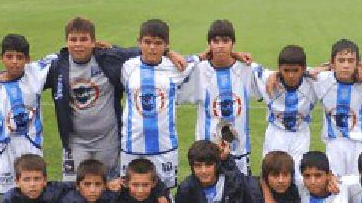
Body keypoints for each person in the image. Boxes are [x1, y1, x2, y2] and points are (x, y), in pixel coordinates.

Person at [0, 17, 187, 182]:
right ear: (66, 41)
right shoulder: (56, 65)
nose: (78, 44)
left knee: (111, 187)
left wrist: (168, 52)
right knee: (74, 189)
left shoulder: (109, 57)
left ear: (93, 41)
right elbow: (24, 70)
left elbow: (144, 49)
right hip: (75, 142)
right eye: (73, 39)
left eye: (83, 39)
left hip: (108, 139)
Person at [120, 19, 198, 189]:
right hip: (131, 146)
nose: (152, 48)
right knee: (129, 192)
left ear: (166, 45)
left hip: (165, 147)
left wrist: (237, 55)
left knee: (166, 195)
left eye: (158, 43)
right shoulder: (127, 66)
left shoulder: (177, 66)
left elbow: (208, 55)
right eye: (147, 42)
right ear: (139, 42)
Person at [177, 19, 262, 175]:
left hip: (239, 153)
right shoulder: (199, 71)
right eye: (215, 41)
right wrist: (199, 57)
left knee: (239, 196)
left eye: (225, 41)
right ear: (209, 44)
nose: (220, 45)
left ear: (233, 43)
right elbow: (173, 71)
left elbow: (275, 78)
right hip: (207, 156)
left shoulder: (246, 69)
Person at [0, 33, 54, 194]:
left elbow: (62, 55)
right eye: (9, 57)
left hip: (31, 144)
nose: (14, 62)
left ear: (27, 59)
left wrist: (94, 44)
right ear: (1, 58)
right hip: (5, 146)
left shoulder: (35, 72)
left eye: (19, 57)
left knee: (34, 189)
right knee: (8, 193)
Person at [312, 38, 362, 177]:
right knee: (337, 189)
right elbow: (297, 72)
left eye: (350, 60)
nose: (346, 65)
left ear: (357, 63)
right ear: (333, 62)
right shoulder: (322, 79)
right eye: (341, 60)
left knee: (359, 188)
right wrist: (326, 67)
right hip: (335, 144)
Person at [256, 45, 319, 176]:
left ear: (303, 69)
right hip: (275, 133)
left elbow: (337, 67)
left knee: (298, 177)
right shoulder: (266, 79)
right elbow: (246, 65)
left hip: (301, 135)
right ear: (279, 69)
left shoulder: (314, 80)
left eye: (295, 70)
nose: (291, 75)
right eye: (286, 70)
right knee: (271, 174)